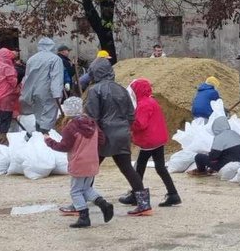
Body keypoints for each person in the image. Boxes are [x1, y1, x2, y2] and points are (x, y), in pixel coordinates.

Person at [83, 59, 146, 213]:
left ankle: (80, 201)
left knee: (89, 168)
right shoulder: (122, 89)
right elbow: (131, 113)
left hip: (103, 134)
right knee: (127, 168)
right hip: (122, 133)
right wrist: (126, 128)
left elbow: (92, 116)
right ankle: (144, 203)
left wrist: (90, 134)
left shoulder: (94, 90)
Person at [44, 97, 114, 228]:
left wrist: (48, 141)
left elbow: (63, 146)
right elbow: (102, 140)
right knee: (87, 188)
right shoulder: (92, 123)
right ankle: (103, 204)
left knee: (75, 191)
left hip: (78, 162)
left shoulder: (70, 127)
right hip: (92, 161)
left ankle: (84, 216)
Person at [128, 78, 180, 210]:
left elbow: (140, 124)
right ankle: (173, 193)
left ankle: (136, 194)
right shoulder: (150, 101)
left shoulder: (143, 104)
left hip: (149, 140)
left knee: (139, 166)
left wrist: (129, 121)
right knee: (160, 167)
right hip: (157, 139)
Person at [20, 37, 65, 132]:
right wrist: (57, 94)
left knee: (38, 115)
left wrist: (26, 93)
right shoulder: (55, 59)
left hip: (34, 91)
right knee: (48, 116)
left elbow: (27, 77)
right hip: (48, 92)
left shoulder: (32, 59)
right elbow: (56, 77)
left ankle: (38, 136)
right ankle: (45, 137)